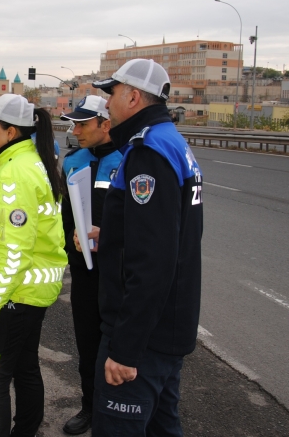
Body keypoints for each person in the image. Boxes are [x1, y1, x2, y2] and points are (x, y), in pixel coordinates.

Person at [83, 59, 203, 436]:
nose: (106, 104)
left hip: (144, 339)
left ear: (133, 97)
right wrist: (114, 235)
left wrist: (125, 349)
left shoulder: (149, 151)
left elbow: (154, 261)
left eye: (112, 93)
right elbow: (169, 235)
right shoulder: (170, 141)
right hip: (166, 329)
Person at [0, 94, 68, 437]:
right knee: (25, 367)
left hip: (15, 294)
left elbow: (14, 251)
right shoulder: (32, 163)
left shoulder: (15, 175)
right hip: (30, 293)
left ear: (11, 132)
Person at [57, 95, 121, 435]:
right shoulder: (72, 160)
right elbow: (65, 216)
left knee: (118, 347)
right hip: (83, 273)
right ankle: (90, 407)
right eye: (73, 123)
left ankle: (116, 409)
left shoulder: (127, 160)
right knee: (86, 342)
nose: (75, 130)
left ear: (105, 124)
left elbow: (137, 222)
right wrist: (71, 240)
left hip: (118, 275)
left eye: (82, 124)